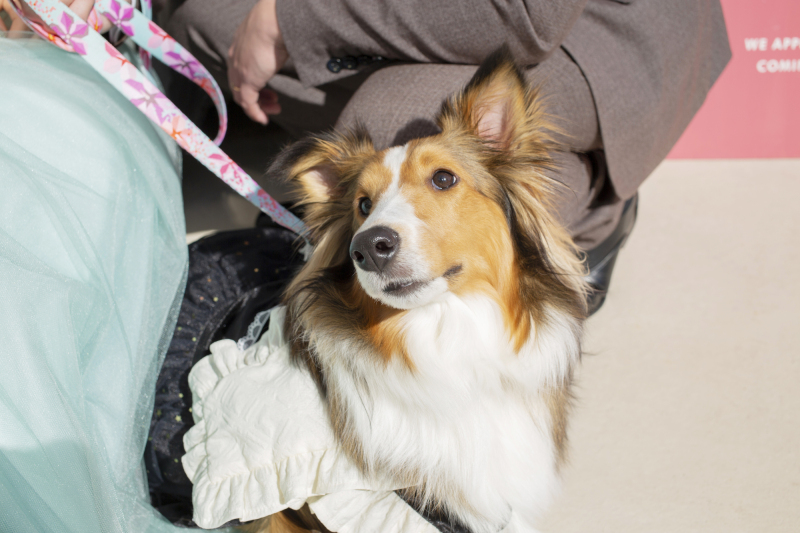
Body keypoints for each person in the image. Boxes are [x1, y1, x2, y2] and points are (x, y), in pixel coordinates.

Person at [163, 0, 730, 314]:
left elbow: (525, 17)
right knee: (204, 20)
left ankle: (583, 199)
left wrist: (295, 19)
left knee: (396, 121)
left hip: (588, 23)